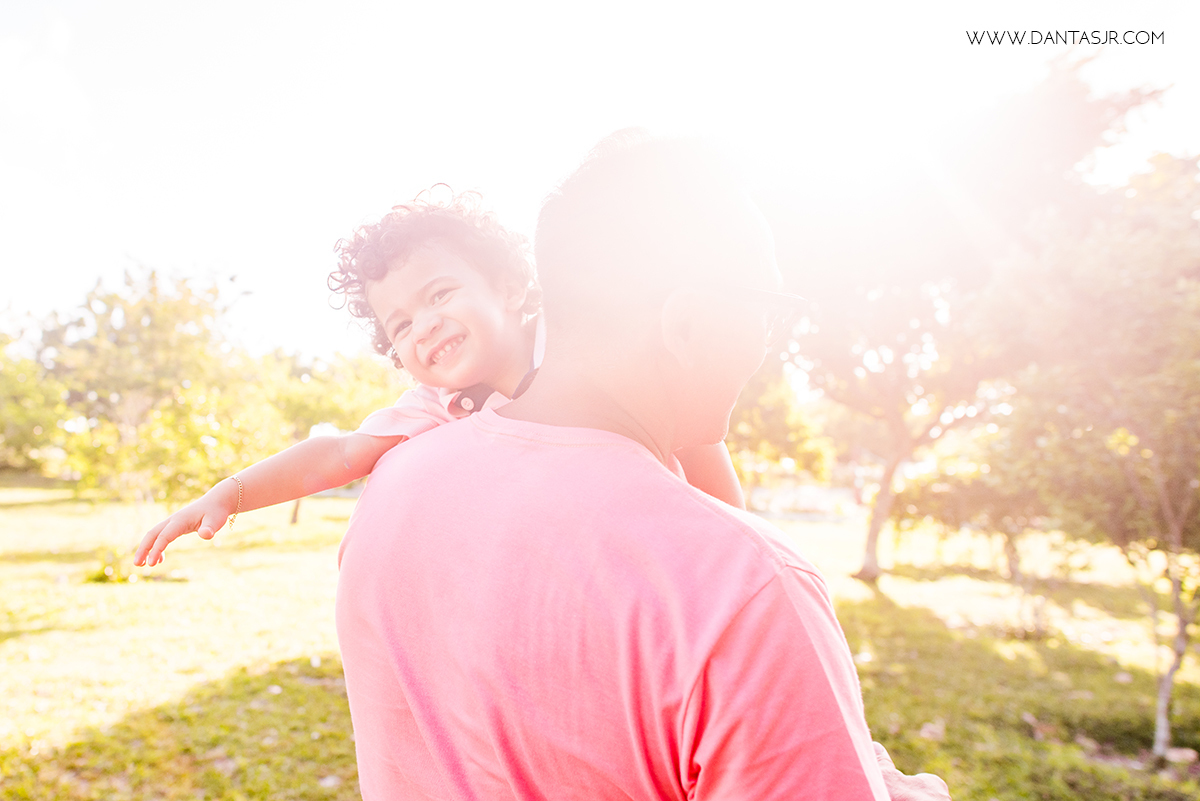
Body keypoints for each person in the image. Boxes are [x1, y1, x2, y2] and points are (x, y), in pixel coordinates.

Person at [335, 132, 951, 800]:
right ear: (685, 326)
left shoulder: (389, 492)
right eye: (768, 313)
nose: (768, 345)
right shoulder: (745, 591)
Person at [134, 190, 743, 568]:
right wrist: (228, 494)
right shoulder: (444, 405)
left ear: (506, 285)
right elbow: (336, 455)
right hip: (597, 563)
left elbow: (693, 433)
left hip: (681, 548)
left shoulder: (579, 344)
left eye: (440, 294)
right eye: (399, 325)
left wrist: (735, 540)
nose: (424, 326)